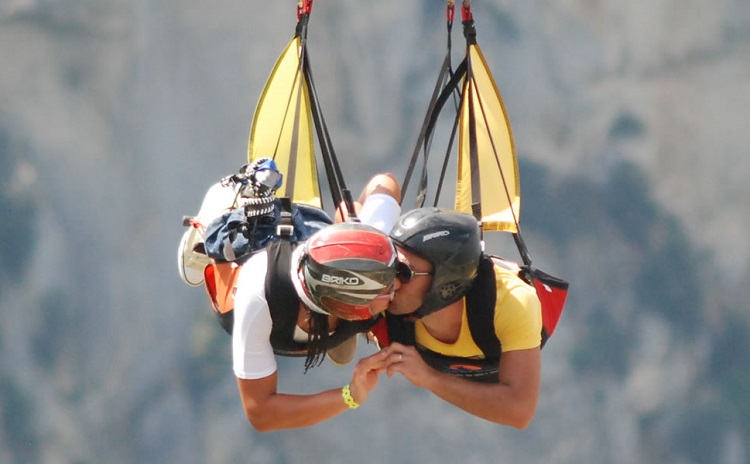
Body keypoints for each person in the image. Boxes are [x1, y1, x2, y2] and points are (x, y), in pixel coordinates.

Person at [226, 171, 404, 431]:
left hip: (327, 268)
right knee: (201, 254)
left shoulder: (374, 254)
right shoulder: (259, 294)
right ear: (351, 306)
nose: (397, 285)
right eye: (386, 287)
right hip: (265, 302)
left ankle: (339, 332)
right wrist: (350, 395)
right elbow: (260, 413)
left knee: (352, 213)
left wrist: (361, 228)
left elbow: (386, 182)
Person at [369, 207, 543, 429]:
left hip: (501, 348)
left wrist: (429, 377)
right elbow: (385, 183)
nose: (391, 281)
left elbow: (519, 411)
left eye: (404, 272)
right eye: (390, 266)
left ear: (444, 281)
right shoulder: (380, 292)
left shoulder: (513, 302)